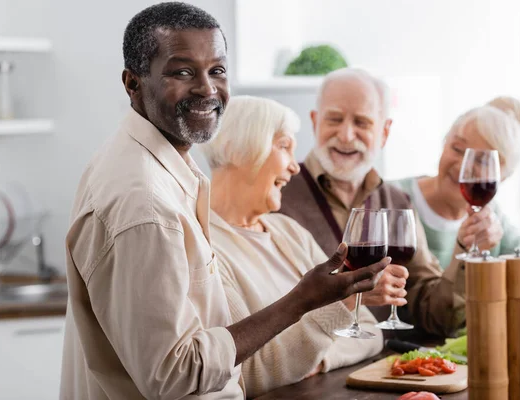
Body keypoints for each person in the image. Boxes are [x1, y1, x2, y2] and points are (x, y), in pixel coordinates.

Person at [60, 4, 387, 399]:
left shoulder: (164, 173)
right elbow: (174, 375)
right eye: (182, 71)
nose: (207, 88)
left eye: (217, 70)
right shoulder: (144, 204)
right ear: (132, 83)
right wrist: (302, 302)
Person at [199, 95, 409, 397]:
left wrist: (320, 359)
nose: (296, 167)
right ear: (236, 149)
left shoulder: (289, 232)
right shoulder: (204, 248)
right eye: (284, 146)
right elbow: (248, 371)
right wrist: (343, 303)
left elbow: (370, 331)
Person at [279, 67, 463, 337]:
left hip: (382, 369)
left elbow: (434, 313)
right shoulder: (277, 194)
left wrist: (464, 252)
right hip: (311, 371)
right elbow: (267, 305)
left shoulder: (397, 201)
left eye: (362, 122)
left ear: (385, 131)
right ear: (315, 121)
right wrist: (351, 294)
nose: (346, 135)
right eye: (334, 119)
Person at [393, 98, 520, 310]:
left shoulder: (492, 220)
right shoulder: (392, 199)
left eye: (481, 161)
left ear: (503, 176)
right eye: (457, 149)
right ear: (444, 144)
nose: (463, 167)